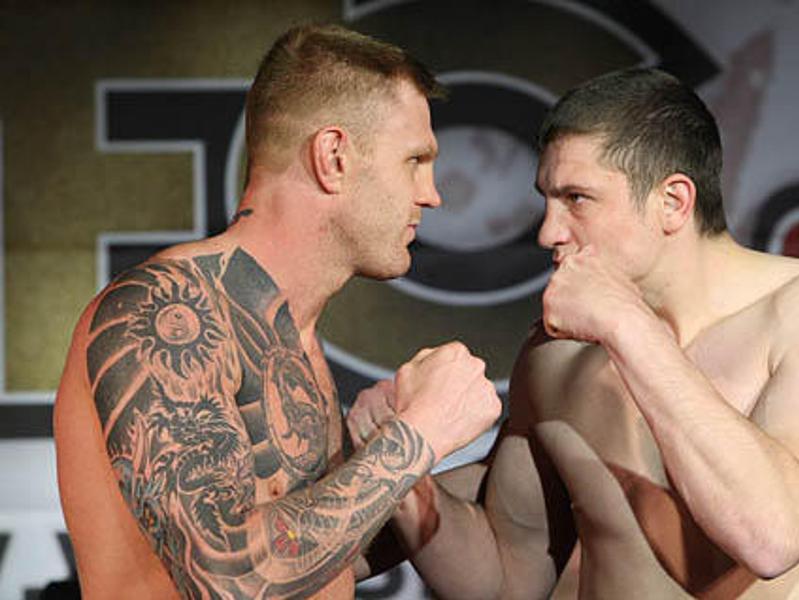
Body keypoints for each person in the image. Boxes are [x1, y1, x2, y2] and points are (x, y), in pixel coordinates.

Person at [349, 67, 799, 598]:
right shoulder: (557, 358)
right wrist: (403, 477)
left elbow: (772, 536)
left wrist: (627, 325)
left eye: (576, 199)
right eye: (547, 199)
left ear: (673, 202)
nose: (548, 232)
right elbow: (507, 580)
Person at [53, 23, 501, 599]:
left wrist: (531, 469)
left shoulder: (292, 334)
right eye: (414, 159)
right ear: (334, 157)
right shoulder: (166, 311)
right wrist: (419, 435)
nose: (432, 194)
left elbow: (311, 560)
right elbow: (228, 575)